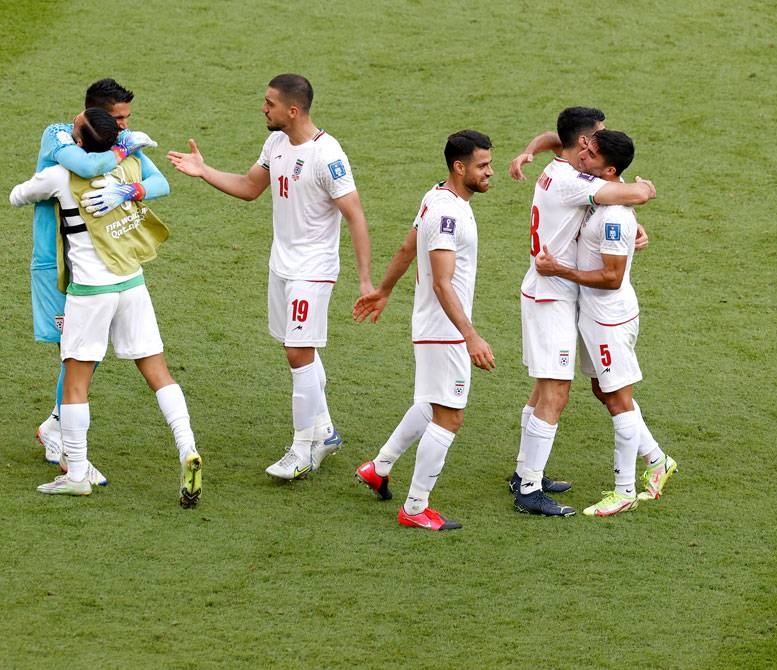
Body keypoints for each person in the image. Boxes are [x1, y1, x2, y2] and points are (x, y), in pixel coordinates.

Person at [167, 73, 373, 479]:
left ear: (292, 110)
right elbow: (249, 187)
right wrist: (204, 171)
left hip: (312, 270)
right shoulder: (276, 143)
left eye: (270, 103)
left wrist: (366, 280)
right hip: (281, 264)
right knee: (297, 349)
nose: (263, 108)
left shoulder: (327, 156)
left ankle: (302, 449)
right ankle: (325, 430)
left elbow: (356, 215)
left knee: (299, 353)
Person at [9, 107, 203, 507]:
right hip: (132, 284)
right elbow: (158, 183)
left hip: (90, 293)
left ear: (79, 141)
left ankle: (77, 473)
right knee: (159, 374)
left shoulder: (60, 176)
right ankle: (187, 449)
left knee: (76, 381)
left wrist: (53, 166)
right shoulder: (128, 168)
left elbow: (17, 196)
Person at [511, 107, 656, 517]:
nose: (598, 143)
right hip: (550, 295)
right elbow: (632, 193)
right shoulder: (574, 183)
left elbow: (551, 138)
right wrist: (643, 192)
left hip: (548, 291)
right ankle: (529, 491)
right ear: (582, 145)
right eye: (596, 139)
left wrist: (527, 151)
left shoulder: (561, 165)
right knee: (556, 393)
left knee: (542, 390)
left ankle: (524, 473)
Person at [352, 130, 495, 531]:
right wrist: (470, 335)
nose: (490, 173)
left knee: (432, 404)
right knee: (450, 417)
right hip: (445, 329)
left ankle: (378, 468)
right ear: (459, 167)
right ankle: (415, 508)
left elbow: (405, 248)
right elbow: (442, 282)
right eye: (483, 166)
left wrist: (383, 290)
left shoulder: (435, 196)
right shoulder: (447, 214)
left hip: (433, 325)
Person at [32, 79, 162, 474]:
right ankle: (65, 443)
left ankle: (57, 427)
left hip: (98, 264)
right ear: (97, 116)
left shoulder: (108, 139)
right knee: (73, 353)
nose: (123, 126)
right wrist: (123, 149)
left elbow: (159, 182)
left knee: (85, 353)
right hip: (56, 263)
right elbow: (87, 166)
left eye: (127, 120)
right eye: (118, 119)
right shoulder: (58, 136)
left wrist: (132, 190)